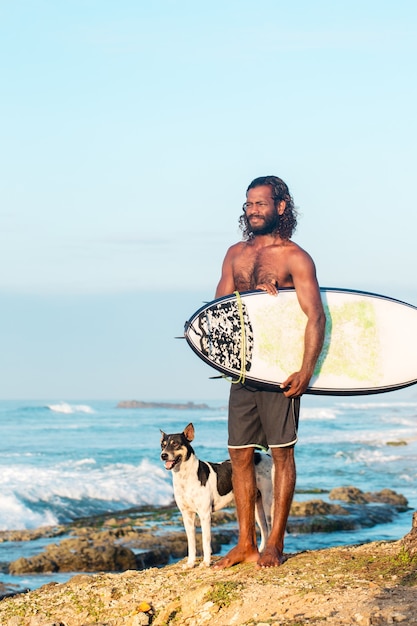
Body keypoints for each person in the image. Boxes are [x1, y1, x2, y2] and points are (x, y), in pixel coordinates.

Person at [213, 175, 326, 569]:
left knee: (281, 453)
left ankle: (274, 542)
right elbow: (219, 307)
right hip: (244, 367)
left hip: (281, 369)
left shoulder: (296, 257)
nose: (252, 210)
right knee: (239, 454)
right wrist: (254, 299)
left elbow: (316, 317)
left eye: (260, 204)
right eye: (248, 204)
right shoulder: (234, 254)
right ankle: (245, 543)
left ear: (281, 206)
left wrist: (306, 370)